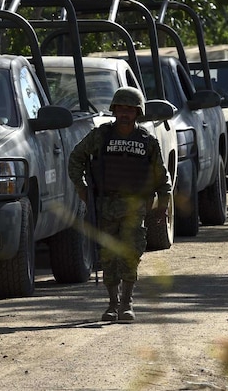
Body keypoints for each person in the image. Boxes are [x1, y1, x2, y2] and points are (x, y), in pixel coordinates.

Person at [68, 87, 171, 322]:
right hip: (105, 205)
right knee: (108, 256)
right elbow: (76, 158)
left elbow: (161, 178)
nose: (125, 113)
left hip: (135, 207)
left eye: (130, 109)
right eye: (121, 108)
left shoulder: (147, 141)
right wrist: (82, 188)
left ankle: (127, 303)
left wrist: (162, 207)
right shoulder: (100, 136)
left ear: (138, 112)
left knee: (130, 254)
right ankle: (112, 304)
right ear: (114, 110)